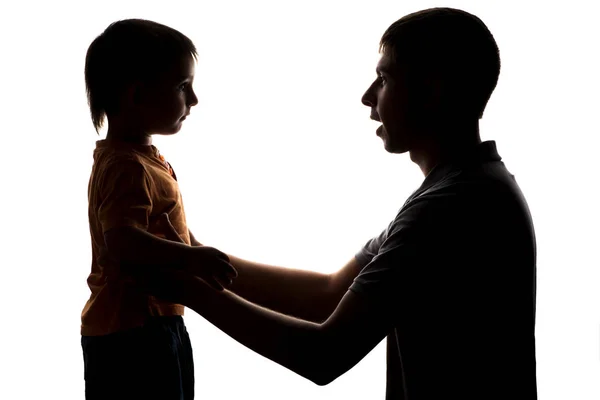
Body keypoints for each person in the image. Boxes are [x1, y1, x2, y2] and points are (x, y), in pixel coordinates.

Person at [143, 7, 537, 399]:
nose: (367, 96)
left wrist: (187, 289)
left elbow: (323, 354)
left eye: (384, 78)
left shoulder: (450, 207)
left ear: (432, 90)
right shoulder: (464, 189)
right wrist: (190, 252)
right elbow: (328, 293)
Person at [80, 19, 237, 400]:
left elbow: (159, 229)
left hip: (157, 319)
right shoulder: (126, 167)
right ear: (135, 95)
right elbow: (123, 241)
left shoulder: (144, 160)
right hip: (133, 330)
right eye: (183, 87)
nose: (194, 99)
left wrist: (192, 248)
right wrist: (191, 258)